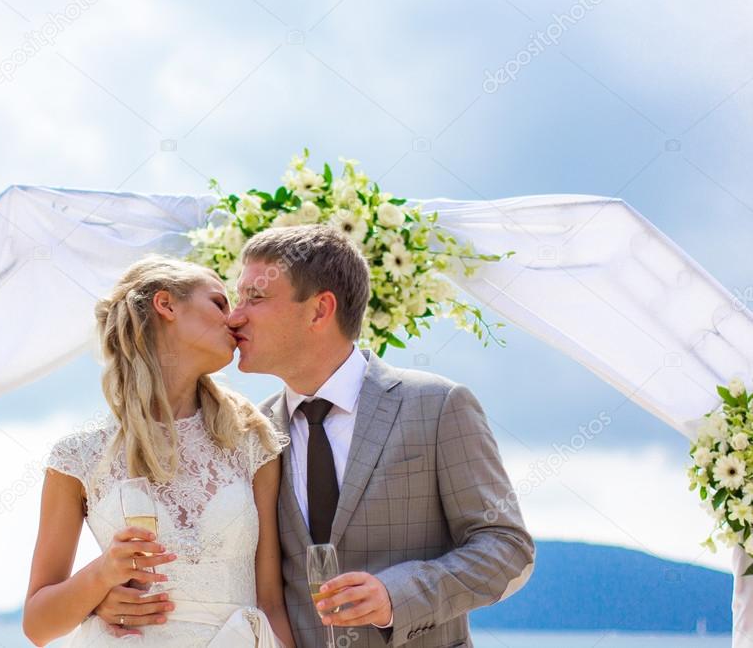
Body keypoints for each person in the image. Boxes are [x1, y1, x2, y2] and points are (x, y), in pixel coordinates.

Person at [104, 225, 535, 647]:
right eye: (237, 298)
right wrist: (107, 601)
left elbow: (507, 548)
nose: (235, 316)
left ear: (318, 310)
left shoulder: (437, 406)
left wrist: (395, 596)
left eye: (255, 297)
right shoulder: (246, 435)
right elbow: (222, 569)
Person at [23, 256, 296, 647]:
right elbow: (38, 624)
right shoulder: (78, 458)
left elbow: (270, 604)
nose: (235, 319)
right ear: (166, 305)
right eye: (219, 303)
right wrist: (100, 579)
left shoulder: (252, 441)